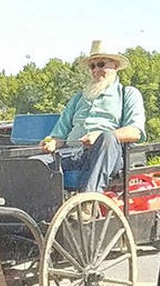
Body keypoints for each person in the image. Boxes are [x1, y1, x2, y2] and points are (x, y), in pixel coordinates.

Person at [38, 40, 145, 194]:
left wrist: (99, 136)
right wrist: (52, 142)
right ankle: (36, 211)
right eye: (92, 66)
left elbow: (135, 132)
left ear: (115, 66)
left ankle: (89, 201)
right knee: (34, 164)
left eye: (101, 64)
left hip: (106, 155)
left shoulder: (127, 94)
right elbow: (59, 135)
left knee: (107, 137)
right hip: (72, 153)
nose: (96, 70)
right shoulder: (77, 98)